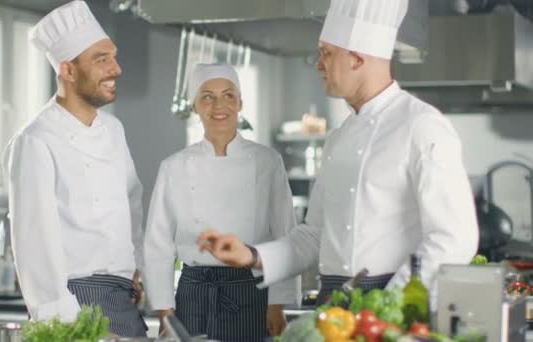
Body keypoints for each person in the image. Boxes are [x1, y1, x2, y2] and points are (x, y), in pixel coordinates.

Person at [198, 0, 478, 305]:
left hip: (390, 306)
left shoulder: (423, 126)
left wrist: (391, 301)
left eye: (326, 54)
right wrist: (252, 255)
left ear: (357, 59)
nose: (318, 64)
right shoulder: (339, 138)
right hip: (332, 305)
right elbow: (315, 235)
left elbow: (455, 238)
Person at [4, 1, 147, 337]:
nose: (117, 69)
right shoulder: (36, 139)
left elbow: (132, 202)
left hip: (123, 297)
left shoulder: (113, 129)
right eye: (102, 60)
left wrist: (133, 267)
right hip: (74, 300)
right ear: (68, 71)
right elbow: (33, 240)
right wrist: (65, 323)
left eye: (113, 56)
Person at [143, 63, 299, 341]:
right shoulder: (174, 166)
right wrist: (165, 312)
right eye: (207, 96)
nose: (219, 105)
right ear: (195, 107)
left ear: (240, 103)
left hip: (251, 290)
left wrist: (278, 304)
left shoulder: (268, 161)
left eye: (228, 95)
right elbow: (158, 244)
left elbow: (285, 236)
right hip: (193, 292)